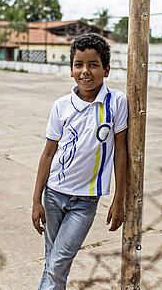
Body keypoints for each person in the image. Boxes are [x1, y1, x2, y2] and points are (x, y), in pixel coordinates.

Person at [31, 33, 128, 289]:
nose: (85, 71)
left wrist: (120, 199)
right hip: (53, 195)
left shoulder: (116, 103)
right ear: (71, 70)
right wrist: (36, 200)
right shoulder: (61, 106)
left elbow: (120, 151)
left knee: (58, 262)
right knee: (53, 262)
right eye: (78, 64)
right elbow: (48, 153)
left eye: (93, 64)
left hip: (85, 201)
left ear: (106, 69)